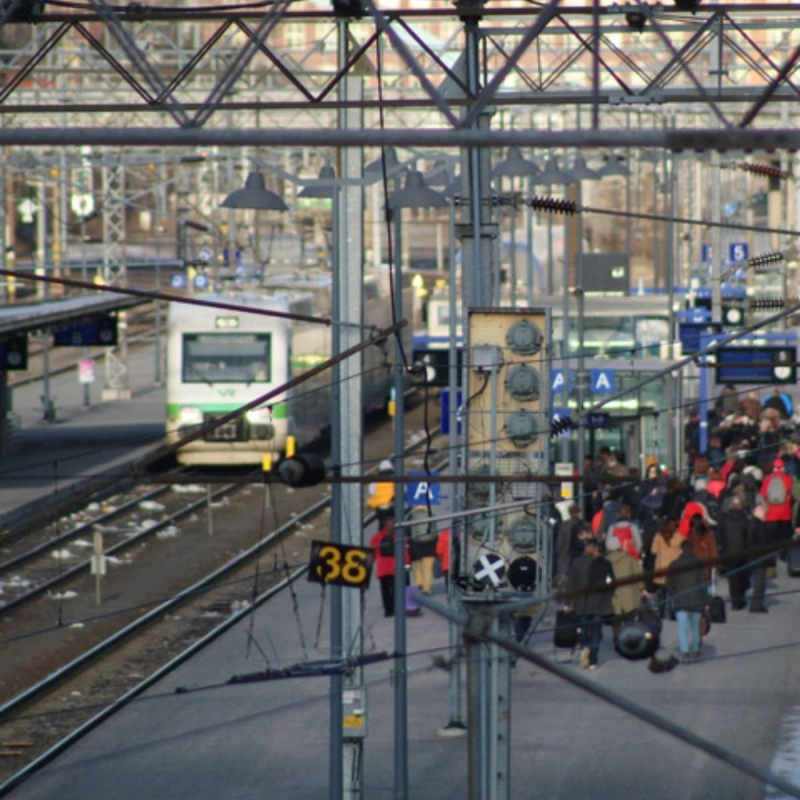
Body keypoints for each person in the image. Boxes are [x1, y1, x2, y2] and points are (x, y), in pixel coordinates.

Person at [566, 537, 615, 670]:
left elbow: (571, 584)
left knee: (583, 628)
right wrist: (608, 595)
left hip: (582, 602)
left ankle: (585, 647)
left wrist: (568, 602)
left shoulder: (577, 563)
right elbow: (612, 582)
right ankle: (593, 658)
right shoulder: (604, 563)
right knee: (596, 631)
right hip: (598, 602)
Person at [666, 539, 708, 662]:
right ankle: (695, 650)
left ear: (681, 550)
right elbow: (703, 584)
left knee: (682, 627)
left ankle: (684, 651)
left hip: (680, 600)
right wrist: (706, 601)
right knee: (695, 627)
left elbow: (669, 585)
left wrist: (674, 595)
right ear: (692, 550)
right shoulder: (698, 564)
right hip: (696, 600)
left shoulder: (674, 564)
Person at [716, 493, 750, 610]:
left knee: (732, 578)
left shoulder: (724, 519)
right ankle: (739, 599)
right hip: (741, 552)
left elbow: (720, 536)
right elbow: (748, 536)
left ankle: (734, 600)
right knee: (741, 576)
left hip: (728, 552)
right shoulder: (744, 519)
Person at [369, 516, 404, 617]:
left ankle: (388, 610)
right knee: (397, 590)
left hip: (383, 568)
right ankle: (396, 609)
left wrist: (371, 563)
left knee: (385, 591)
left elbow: (372, 551)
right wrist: (406, 563)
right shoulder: (398, 536)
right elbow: (404, 551)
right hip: (395, 567)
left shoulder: (377, 537)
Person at [651, 520, 683, 618]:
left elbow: (653, 551)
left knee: (662, 593)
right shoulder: (679, 537)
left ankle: (661, 613)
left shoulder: (658, 536)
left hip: (661, 568)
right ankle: (673, 614)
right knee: (673, 593)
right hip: (674, 569)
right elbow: (682, 552)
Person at [407, 507, 438, 595]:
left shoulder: (411, 516)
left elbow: (408, 533)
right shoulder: (431, 515)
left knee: (417, 567)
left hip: (416, 546)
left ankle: (419, 584)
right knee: (428, 568)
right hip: (430, 546)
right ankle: (426, 588)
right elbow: (435, 533)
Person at [747, 503, 769, 613]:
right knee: (759, 583)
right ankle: (756, 605)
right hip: (757, 557)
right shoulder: (756, 524)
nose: (763, 512)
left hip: (758, 556)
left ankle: (758, 604)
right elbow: (760, 540)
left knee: (761, 583)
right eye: (761, 510)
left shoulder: (758, 524)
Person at [366, 459, 395, 527]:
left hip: (380, 508)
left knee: (382, 525)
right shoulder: (395, 480)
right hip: (391, 507)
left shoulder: (375, 482)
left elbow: (372, 492)